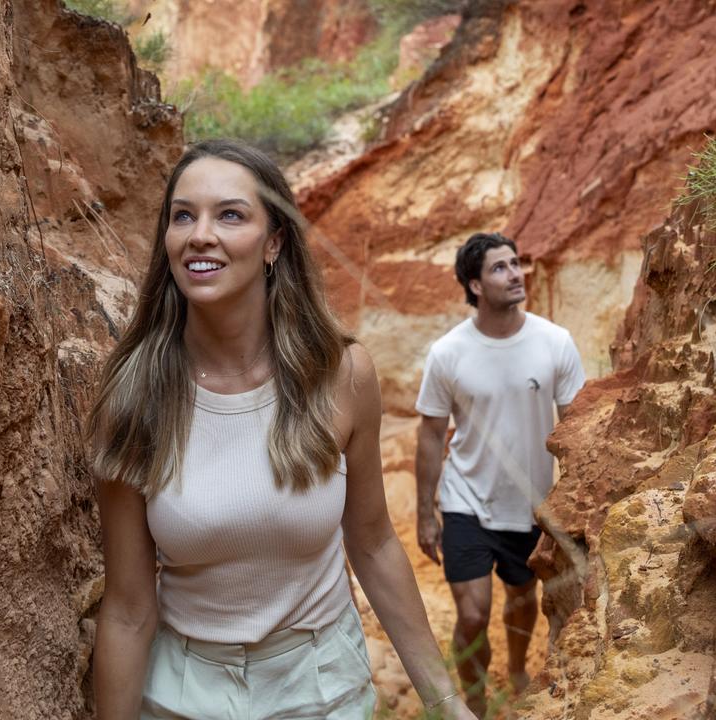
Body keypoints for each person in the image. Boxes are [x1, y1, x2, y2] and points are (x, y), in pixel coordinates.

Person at [87, 139, 475, 720]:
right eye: (183, 215)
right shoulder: (134, 396)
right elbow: (126, 609)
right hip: (180, 694)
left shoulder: (341, 376)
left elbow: (371, 542)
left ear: (274, 243)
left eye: (231, 215)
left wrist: (445, 703)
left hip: (319, 689)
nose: (200, 235)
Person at [414, 232, 586, 716]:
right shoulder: (448, 353)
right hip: (464, 498)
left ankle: (515, 671)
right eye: (500, 268)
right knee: (472, 614)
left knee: (520, 598)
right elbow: (430, 435)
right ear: (474, 284)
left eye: (515, 264)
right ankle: (472, 703)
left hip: (529, 503)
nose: (516, 274)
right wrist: (425, 511)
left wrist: (572, 503)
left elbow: (577, 427)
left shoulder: (555, 343)